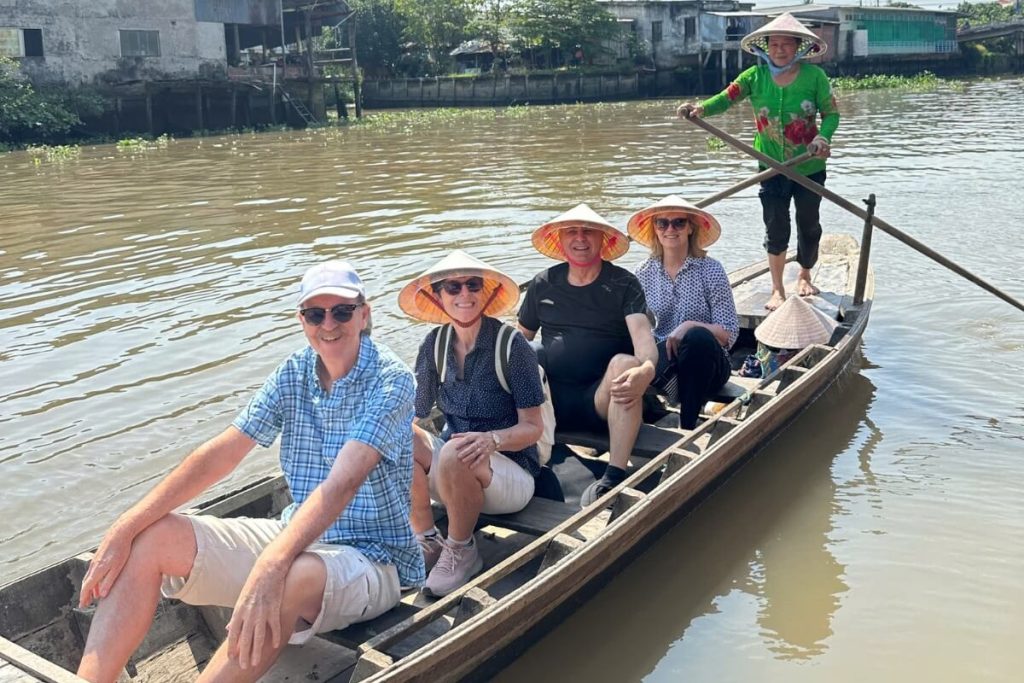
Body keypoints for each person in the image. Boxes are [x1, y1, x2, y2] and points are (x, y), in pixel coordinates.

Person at [76, 261, 422, 683]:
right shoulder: (294, 372)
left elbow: (342, 483)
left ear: (364, 315)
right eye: (316, 313)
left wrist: (271, 566)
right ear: (302, 320)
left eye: (342, 311)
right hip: (296, 535)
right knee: (153, 537)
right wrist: (126, 526)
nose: (328, 324)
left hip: (374, 560)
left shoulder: (392, 380)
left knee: (291, 573)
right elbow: (224, 453)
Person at [398, 250, 545, 596]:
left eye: (472, 285)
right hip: (456, 468)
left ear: (486, 293)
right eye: (453, 287)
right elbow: (416, 412)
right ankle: (427, 538)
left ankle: (461, 549)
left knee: (455, 450)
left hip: (511, 472)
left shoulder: (512, 346)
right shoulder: (434, 345)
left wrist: (491, 440)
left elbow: (532, 428)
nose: (464, 295)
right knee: (398, 435)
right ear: (438, 297)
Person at [677, 12, 840, 311]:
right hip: (769, 167)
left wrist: (823, 139)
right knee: (775, 227)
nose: (779, 50)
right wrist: (700, 109)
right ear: (765, 48)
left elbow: (831, 114)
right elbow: (726, 98)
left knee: (809, 224)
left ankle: (805, 274)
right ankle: (776, 289)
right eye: (774, 44)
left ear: (799, 47)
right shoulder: (755, 77)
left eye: (786, 44)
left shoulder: (814, 77)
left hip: (809, 165)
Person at [517, 203, 658, 508]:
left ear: (602, 240)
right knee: (526, 353)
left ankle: (615, 474)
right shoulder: (543, 283)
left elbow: (643, 339)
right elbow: (518, 342)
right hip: (550, 404)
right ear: (561, 240)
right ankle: (525, 458)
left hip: (602, 400)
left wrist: (645, 370)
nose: (580, 239)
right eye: (572, 232)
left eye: (588, 232)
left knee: (627, 363)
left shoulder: (623, 283)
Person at [627, 196, 739, 429]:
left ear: (690, 228)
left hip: (708, 362)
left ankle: (687, 424)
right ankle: (640, 415)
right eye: (662, 223)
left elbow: (729, 332)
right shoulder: (644, 272)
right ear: (655, 230)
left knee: (696, 337)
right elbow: (636, 326)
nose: (670, 229)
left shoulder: (711, 270)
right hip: (665, 360)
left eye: (678, 223)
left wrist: (690, 326)